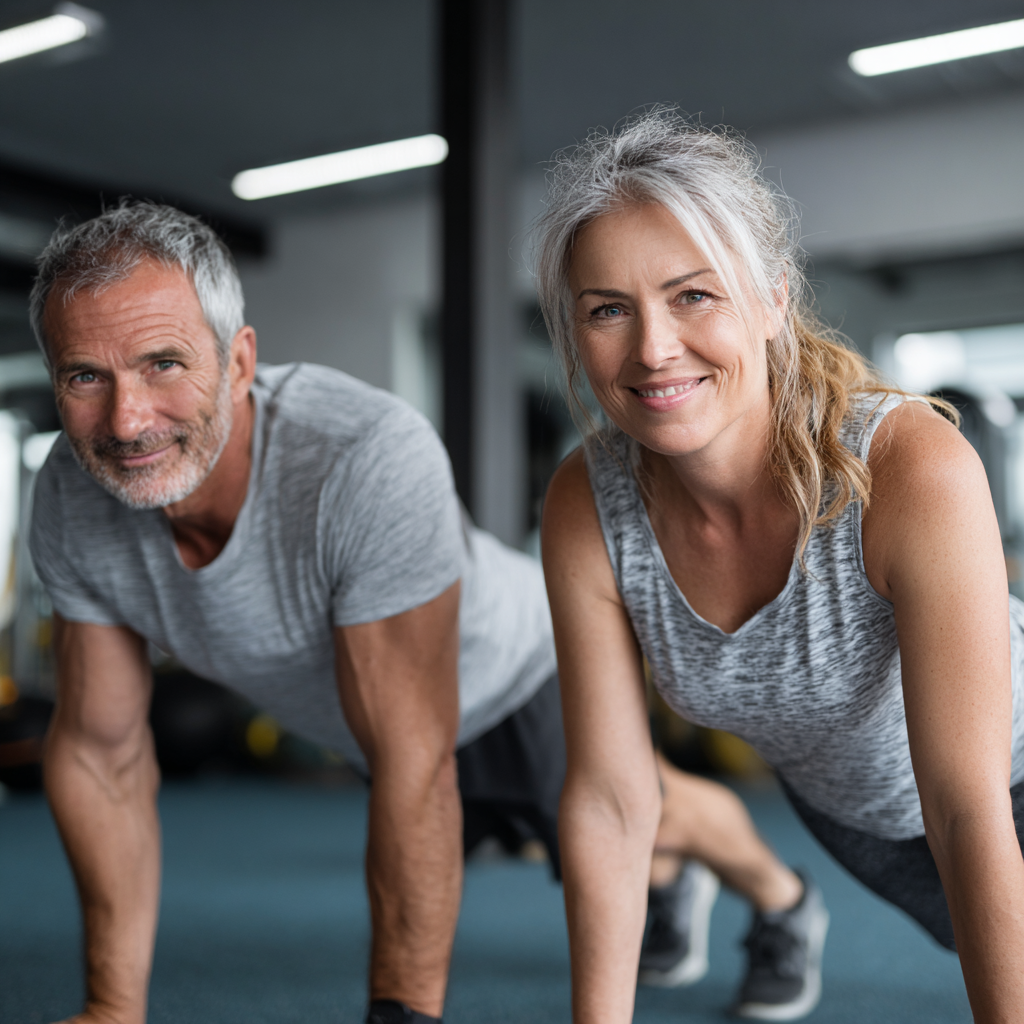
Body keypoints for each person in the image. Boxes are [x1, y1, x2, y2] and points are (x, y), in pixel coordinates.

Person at [27, 201, 801, 1024]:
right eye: (85, 376)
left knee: (645, 812)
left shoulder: (360, 457)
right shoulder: (75, 499)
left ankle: (783, 901)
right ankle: (668, 885)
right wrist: (113, 1006)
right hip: (377, 713)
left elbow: (417, 767)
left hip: (510, 666)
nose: (127, 420)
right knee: (576, 848)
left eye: (163, 364)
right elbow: (100, 755)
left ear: (240, 361)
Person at [537, 108, 1024, 1024]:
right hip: (859, 823)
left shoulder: (907, 469)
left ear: (771, 301)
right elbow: (609, 799)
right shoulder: (587, 501)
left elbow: (966, 800)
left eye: (694, 295)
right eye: (609, 310)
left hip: (997, 793)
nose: (651, 348)